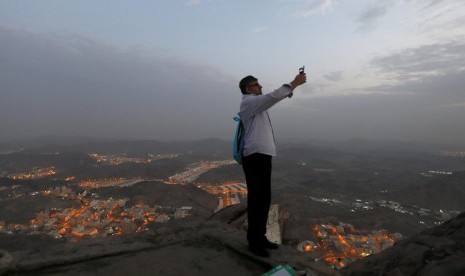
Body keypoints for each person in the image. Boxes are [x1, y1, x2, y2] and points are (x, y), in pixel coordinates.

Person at [238, 71, 307, 257]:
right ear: (248, 89)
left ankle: (260, 237)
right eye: (256, 84)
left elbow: (271, 99)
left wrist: (291, 89)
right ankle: (254, 242)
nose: (260, 86)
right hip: (254, 156)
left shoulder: (256, 105)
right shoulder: (249, 102)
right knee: (256, 199)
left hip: (262, 156)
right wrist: (294, 83)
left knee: (264, 198)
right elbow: (273, 96)